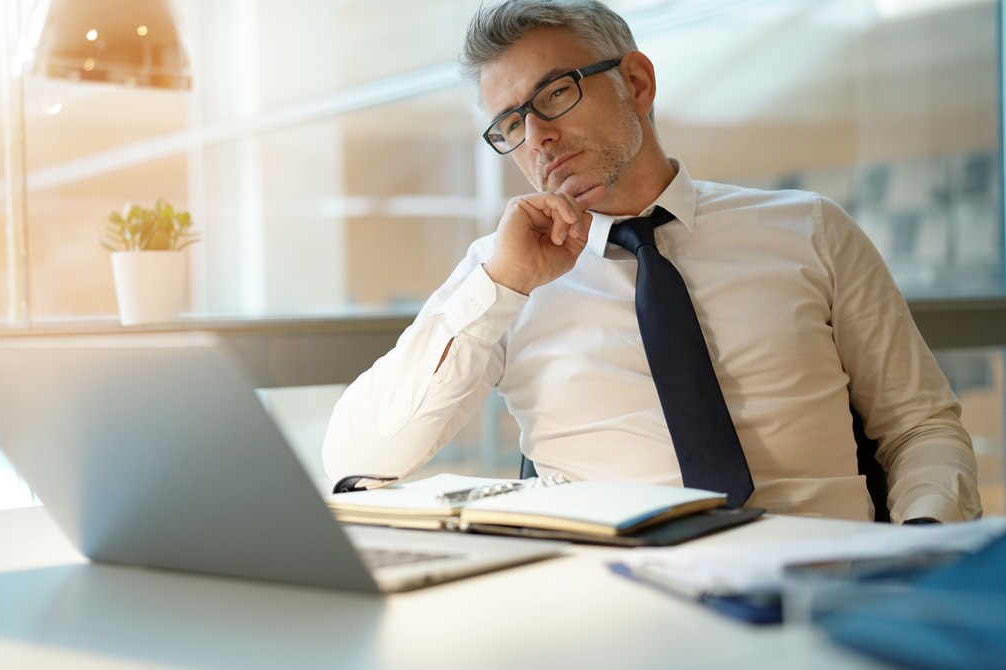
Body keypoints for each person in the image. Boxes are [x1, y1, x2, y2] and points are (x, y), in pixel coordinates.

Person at [322, 0, 982, 523]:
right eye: (511, 123)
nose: (538, 136)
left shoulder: (810, 229)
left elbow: (919, 426)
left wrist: (920, 545)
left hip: (819, 574)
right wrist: (501, 286)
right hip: (613, 602)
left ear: (636, 82)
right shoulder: (500, 273)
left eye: (553, 95)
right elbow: (358, 458)